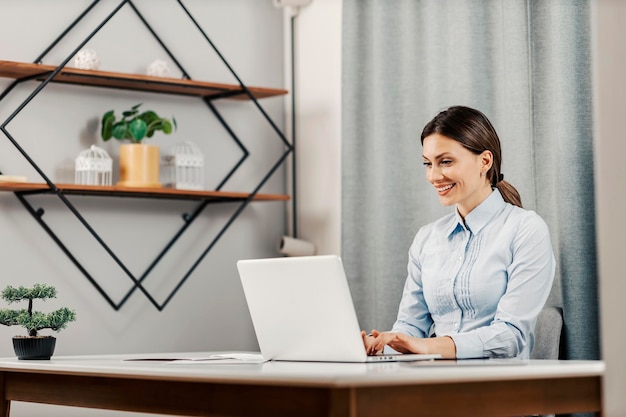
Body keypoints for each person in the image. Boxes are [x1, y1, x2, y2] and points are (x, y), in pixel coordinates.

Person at [362, 105, 555, 359]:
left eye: (446, 162)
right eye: (427, 164)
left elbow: (510, 335)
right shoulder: (427, 239)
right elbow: (410, 327)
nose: (433, 175)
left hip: (500, 387)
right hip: (433, 382)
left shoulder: (525, 230)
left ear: (485, 161)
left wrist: (428, 346)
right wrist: (380, 344)